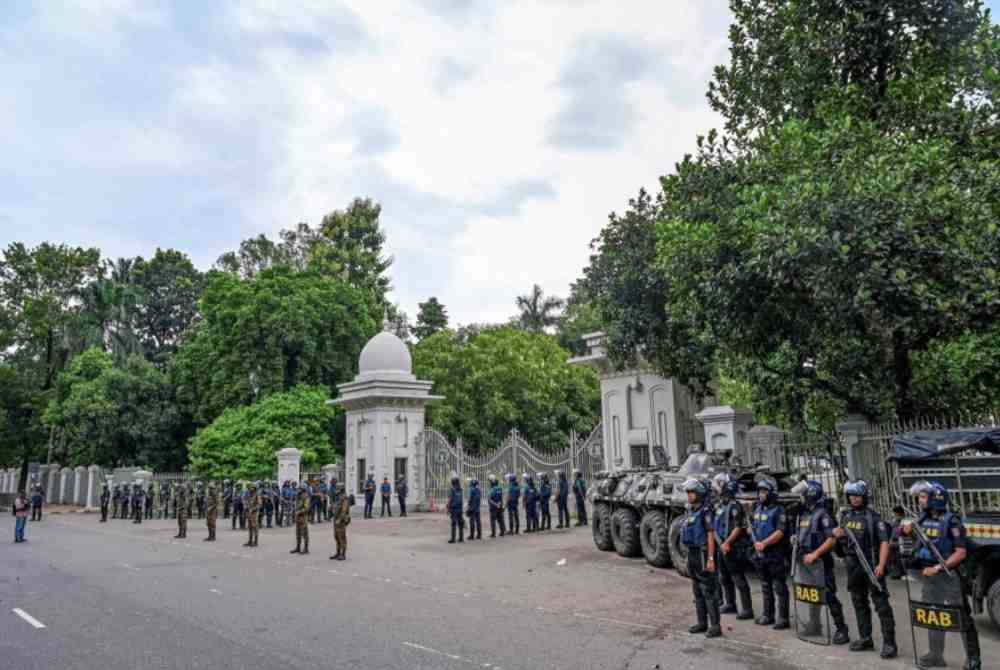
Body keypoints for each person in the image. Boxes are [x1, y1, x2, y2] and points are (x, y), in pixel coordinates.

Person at [901, 481, 981, 670]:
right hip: (930, 576)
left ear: (935, 498)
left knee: (962, 617)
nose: (920, 501)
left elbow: (960, 552)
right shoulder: (922, 518)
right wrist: (908, 532)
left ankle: (973, 659)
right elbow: (921, 542)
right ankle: (936, 655)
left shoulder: (951, 521)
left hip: (950, 575)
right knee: (932, 614)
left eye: (923, 497)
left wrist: (937, 568)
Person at [834, 480, 896, 658]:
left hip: (871, 566)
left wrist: (881, 565)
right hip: (853, 567)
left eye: (857, 495)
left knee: (882, 606)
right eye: (851, 495)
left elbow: (884, 542)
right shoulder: (846, 516)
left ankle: (890, 643)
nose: (854, 499)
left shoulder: (873, 517)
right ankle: (865, 638)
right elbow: (841, 541)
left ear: (864, 497)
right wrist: (838, 535)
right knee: (859, 603)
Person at [795, 480, 850, 644]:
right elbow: (804, 534)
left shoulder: (823, 514)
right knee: (812, 593)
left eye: (804, 495)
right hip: (805, 560)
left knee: (828, 594)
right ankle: (814, 625)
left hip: (820, 561)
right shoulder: (805, 514)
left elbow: (831, 540)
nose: (802, 498)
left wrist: (815, 554)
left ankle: (842, 629)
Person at [681, 479, 721, 638]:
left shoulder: (706, 511)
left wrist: (711, 558)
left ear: (698, 493)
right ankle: (702, 623)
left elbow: (710, 535)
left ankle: (715, 626)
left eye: (691, 492)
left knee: (708, 591)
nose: (689, 496)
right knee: (697, 590)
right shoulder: (692, 510)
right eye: (688, 493)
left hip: (704, 553)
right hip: (693, 553)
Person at [712, 474, 753, 620]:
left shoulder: (735, 507)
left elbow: (738, 527)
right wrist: (720, 544)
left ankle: (747, 609)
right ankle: (730, 604)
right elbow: (715, 525)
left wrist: (727, 543)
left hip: (733, 547)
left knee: (738, 577)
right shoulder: (720, 506)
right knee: (724, 577)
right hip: (721, 546)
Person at [751, 478, 790, 629]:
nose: (761, 494)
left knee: (779, 586)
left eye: (764, 491)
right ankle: (768, 615)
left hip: (775, 553)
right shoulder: (758, 508)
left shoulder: (779, 510)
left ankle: (783, 618)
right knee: (765, 585)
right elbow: (754, 527)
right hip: (760, 554)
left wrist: (764, 543)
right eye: (760, 491)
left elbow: (780, 532)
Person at [332, 488, 351, 560]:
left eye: (339, 493)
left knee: (342, 537)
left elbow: (344, 511)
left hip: (341, 521)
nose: (338, 494)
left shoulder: (345, 500)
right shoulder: (338, 499)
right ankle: (338, 553)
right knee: (336, 537)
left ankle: (343, 554)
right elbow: (335, 508)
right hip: (336, 520)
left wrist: (339, 520)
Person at [291, 485, 310, 555]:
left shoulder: (306, 496)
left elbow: (306, 507)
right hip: (297, 517)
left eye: (300, 489)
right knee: (298, 533)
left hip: (303, 517)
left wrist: (300, 511)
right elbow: (296, 505)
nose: (298, 490)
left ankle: (306, 548)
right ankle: (298, 547)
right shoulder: (298, 496)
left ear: (303, 489)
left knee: (304, 533)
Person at [448, 474, 464, 544]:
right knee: (460, 523)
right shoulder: (460, 489)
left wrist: (448, 507)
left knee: (454, 524)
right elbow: (461, 499)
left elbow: (450, 499)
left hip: (454, 509)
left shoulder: (452, 489)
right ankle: (461, 538)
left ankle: (453, 539)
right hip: (460, 508)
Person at [244, 483, 260, 548]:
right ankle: (250, 541)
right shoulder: (249, 495)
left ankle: (255, 542)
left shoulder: (257, 495)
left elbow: (259, 505)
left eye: (252, 487)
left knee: (255, 527)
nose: (251, 489)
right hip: (249, 513)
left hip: (254, 514)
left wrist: (253, 509)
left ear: (255, 488)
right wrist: (246, 506)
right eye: (251, 487)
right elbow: (247, 502)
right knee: (250, 527)